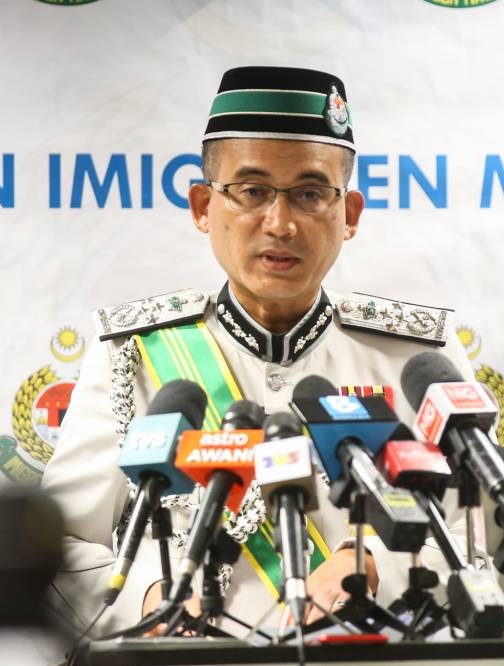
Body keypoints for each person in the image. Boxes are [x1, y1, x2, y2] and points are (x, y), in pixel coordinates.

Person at [40, 66, 477, 637]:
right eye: (251, 192)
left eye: (310, 194)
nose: (280, 224)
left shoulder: (414, 359)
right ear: (203, 206)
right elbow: (57, 543)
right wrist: (150, 595)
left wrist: (374, 563)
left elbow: (485, 524)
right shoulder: (133, 354)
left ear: (348, 215)